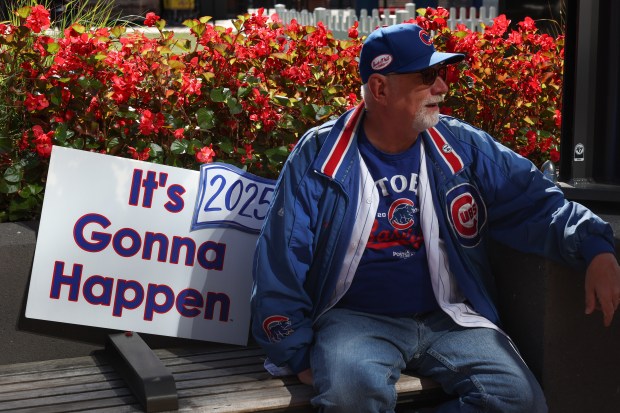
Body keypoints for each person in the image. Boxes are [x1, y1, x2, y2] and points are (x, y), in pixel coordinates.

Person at [250, 23, 620, 413]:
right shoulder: (320, 155)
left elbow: (535, 200)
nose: (442, 86)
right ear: (380, 89)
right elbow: (281, 258)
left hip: (448, 316)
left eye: (442, 74)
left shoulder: (461, 145)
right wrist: (295, 352)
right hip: (354, 320)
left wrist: (594, 246)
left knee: (519, 401)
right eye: (427, 76)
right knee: (349, 399)